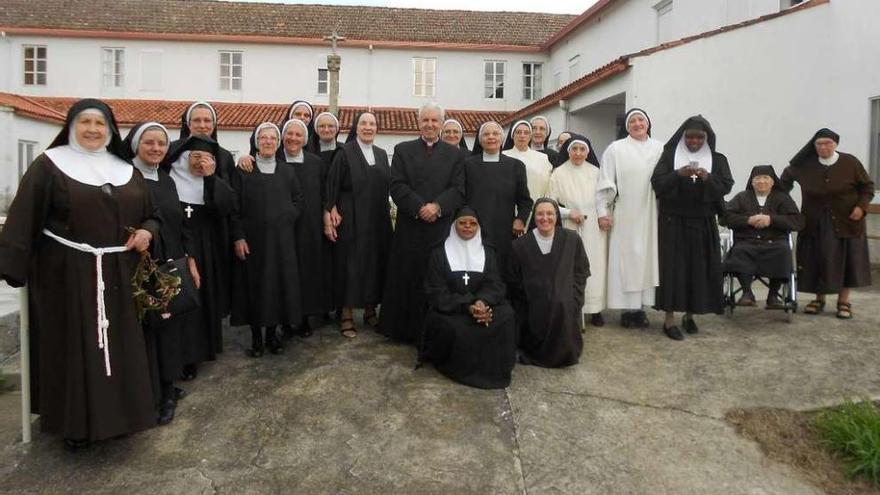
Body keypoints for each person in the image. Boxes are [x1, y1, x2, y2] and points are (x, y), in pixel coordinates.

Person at [0, 99, 158, 448]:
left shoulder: (125, 169)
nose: (92, 129)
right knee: (76, 348)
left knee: (121, 349)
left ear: (111, 130)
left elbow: (151, 214)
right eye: (85, 122)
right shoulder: (49, 165)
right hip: (66, 276)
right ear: (71, 126)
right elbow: (24, 217)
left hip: (119, 274)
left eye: (100, 124)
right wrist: (13, 266)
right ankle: (75, 426)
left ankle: (122, 419)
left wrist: (147, 232)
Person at [123, 121, 199, 425]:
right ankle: (149, 390)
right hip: (136, 267)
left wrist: (190, 259)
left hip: (169, 264)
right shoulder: (125, 178)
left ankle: (167, 388)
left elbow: (180, 223)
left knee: (168, 329)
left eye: (161, 144)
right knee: (143, 331)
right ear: (136, 145)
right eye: (149, 143)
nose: (156, 148)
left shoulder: (167, 181)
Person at [379, 103, 466, 344]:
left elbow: (458, 190)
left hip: (441, 228)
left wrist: (437, 207)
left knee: (437, 278)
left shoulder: (455, 154)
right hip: (411, 227)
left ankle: (437, 329)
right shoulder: (402, 150)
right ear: (418, 123)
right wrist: (419, 208)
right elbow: (396, 185)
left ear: (441, 123)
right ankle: (404, 330)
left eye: (434, 120)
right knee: (408, 277)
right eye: (425, 120)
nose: (430, 124)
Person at [237, 119, 333, 338]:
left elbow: (325, 192)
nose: (293, 138)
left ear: (306, 139)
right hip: (277, 231)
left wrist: (326, 214)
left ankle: (304, 317)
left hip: (307, 225)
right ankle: (284, 321)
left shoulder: (316, 162)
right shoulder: (274, 158)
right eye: (289, 134)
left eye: (299, 135)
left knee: (305, 272)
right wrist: (243, 156)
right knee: (281, 275)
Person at [651, 115, 734, 340]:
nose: (694, 141)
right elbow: (657, 183)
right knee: (673, 271)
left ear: (707, 138)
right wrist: (678, 174)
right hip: (673, 223)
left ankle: (690, 315)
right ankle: (669, 320)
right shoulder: (670, 156)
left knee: (698, 270)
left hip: (703, 223)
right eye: (690, 137)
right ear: (682, 136)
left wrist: (708, 178)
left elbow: (725, 186)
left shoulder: (717, 159)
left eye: (699, 137)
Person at [780, 128, 874, 319]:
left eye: (828, 143)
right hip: (815, 220)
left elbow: (867, 187)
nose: (823, 147)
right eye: (819, 144)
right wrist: (783, 205)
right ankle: (818, 299)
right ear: (814, 146)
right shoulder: (805, 165)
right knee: (818, 259)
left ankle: (844, 302)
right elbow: (784, 184)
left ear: (836, 144)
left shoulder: (850, 162)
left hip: (847, 220)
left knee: (848, 261)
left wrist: (861, 207)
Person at [163, 133, 235, 377]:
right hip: (177, 245)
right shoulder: (170, 179)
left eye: (206, 157)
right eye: (195, 156)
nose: (199, 162)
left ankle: (202, 350)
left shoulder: (212, 181)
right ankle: (181, 354)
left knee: (204, 300)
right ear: (185, 157)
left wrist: (211, 177)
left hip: (206, 247)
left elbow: (226, 207)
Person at [421, 207, 517, 389]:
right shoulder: (439, 253)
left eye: (473, 224)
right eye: (462, 223)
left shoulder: (488, 251)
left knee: (507, 315)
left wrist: (482, 302)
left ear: (478, 227)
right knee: (453, 327)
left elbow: (495, 283)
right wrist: (467, 305)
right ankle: (458, 368)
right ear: (454, 225)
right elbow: (435, 291)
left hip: (481, 306)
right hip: (452, 309)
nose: (467, 227)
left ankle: (495, 367)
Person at [229, 122, 303, 356]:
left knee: (277, 288)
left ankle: (272, 335)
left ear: (278, 143)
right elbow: (234, 208)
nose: (268, 141)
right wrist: (239, 236)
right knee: (256, 289)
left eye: (273, 138)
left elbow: (298, 200)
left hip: (281, 242)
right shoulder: (244, 170)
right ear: (256, 141)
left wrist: (287, 216)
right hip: (254, 242)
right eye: (264, 138)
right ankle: (256, 339)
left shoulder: (287, 171)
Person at [324, 112, 392, 338]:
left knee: (375, 262)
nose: (368, 127)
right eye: (363, 123)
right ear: (356, 127)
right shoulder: (345, 152)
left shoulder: (382, 155)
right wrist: (330, 208)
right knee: (351, 266)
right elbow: (331, 184)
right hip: (351, 218)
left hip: (377, 219)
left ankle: (371, 310)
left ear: (377, 128)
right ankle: (346, 315)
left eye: (372, 123)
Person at [596, 109, 663, 329]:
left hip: (653, 212)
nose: (637, 124)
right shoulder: (616, 149)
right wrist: (603, 212)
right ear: (626, 127)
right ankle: (627, 309)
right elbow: (606, 181)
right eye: (632, 121)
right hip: (626, 212)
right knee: (628, 259)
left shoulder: (660, 148)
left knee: (648, 259)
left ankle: (642, 308)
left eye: (641, 119)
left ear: (648, 123)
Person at [508, 198, 589, 368]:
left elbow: (580, 272)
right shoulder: (520, 245)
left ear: (557, 216)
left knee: (560, 304)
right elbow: (514, 281)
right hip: (531, 306)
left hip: (565, 305)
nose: (545, 218)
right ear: (534, 217)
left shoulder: (572, 240)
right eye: (540, 214)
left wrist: (573, 299)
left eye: (550, 213)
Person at [720, 165, 804, 307]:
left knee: (783, 251)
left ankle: (773, 296)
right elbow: (725, 217)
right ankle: (747, 293)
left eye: (766, 178)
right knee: (739, 251)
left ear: (772, 182)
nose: (761, 181)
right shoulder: (742, 197)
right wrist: (748, 220)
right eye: (758, 178)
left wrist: (771, 220)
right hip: (746, 241)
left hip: (775, 242)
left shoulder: (782, 199)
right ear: (752, 182)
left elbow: (797, 221)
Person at [548, 134, 608, 327]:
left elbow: (602, 199)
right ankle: (575, 307)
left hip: (594, 228)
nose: (578, 153)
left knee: (595, 266)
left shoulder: (596, 171)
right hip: (570, 226)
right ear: (568, 151)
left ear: (588, 152)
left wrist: (602, 215)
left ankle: (596, 309)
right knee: (573, 267)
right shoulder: (558, 173)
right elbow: (550, 202)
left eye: (582, 149)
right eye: (574, 149)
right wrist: (568, 213)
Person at [466, 121, 533, 274]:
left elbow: (525, 200)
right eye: (486, 134)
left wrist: (520, 219)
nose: (491, 137)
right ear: (480, 139)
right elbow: (462, 197)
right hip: (475, 229)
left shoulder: (516, 166)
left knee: (502, 272)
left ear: (502, 139)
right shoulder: (468, 165)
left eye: (495, 134)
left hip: (505, 230)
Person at [502, 119, 553, 202]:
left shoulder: (542, 158)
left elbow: (548, 187)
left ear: (530, 136)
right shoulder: (503, 156)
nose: (522, 136)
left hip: (536, 206)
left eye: (526, 133)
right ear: (512, 135)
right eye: (518, 132)